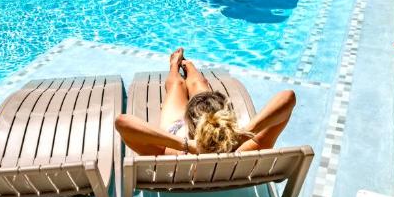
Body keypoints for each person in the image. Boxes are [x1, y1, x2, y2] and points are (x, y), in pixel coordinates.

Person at [115, 48, 295, 156]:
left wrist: (186, 145)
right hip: (218, 138)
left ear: (188, 120)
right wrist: (241, 136)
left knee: (176, 85)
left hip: (176, 131)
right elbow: (288, 98)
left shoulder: (172, 154)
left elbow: (122, 123)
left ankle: (175, 66)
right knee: (200, 84)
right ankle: (188, 65)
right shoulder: (244, 150)